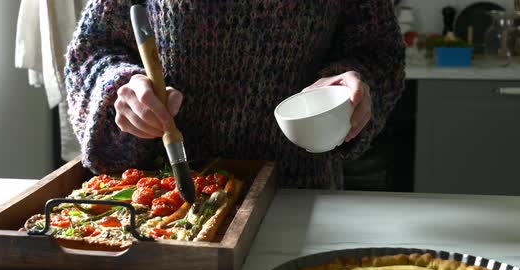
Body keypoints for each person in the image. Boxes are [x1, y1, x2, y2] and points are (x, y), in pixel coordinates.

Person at [65, 0, 405, 189]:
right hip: (160, 196)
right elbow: (94, 47)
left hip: (297, 199)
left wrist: (352, 90)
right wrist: (120, 92)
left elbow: (378, 53)